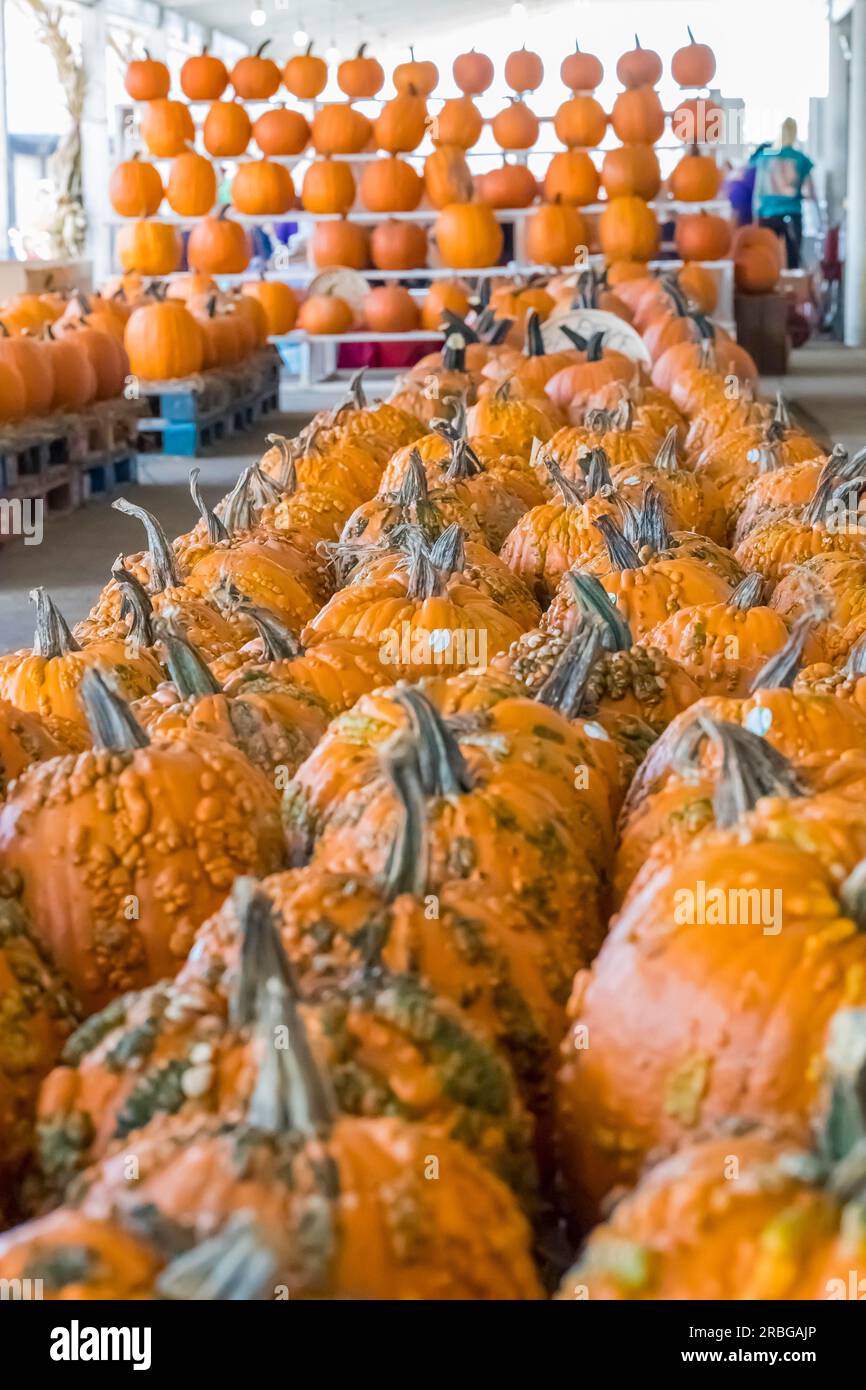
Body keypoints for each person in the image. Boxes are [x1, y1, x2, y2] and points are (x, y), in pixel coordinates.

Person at [750, 118, 815, 268]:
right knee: (792, 261)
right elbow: (809, 191)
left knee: (766, 259)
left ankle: (768, 287)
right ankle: (792, 287)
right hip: (791, 214)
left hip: (767, 214)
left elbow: (757, 188)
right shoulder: (801, 159)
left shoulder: (765, 157)